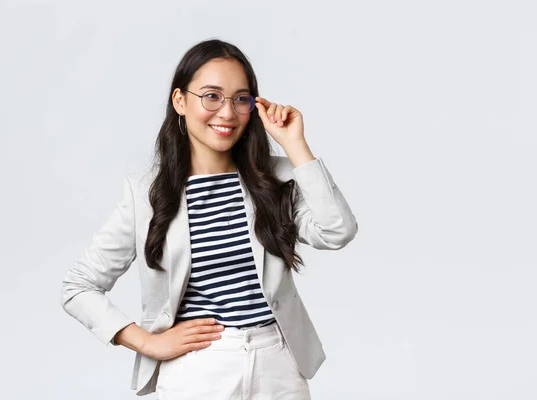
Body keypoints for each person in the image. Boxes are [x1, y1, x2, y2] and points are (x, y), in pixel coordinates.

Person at [61, 38, 358, 399]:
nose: (227, 113)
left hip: (279, 366)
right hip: (199, 369)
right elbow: (79, 287)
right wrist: (147, 343)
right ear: (180, 101)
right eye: (212, 96)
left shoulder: (275, 179)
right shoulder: (147, 195)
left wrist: (295, 145)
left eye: (240, 99)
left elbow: (337, 231)